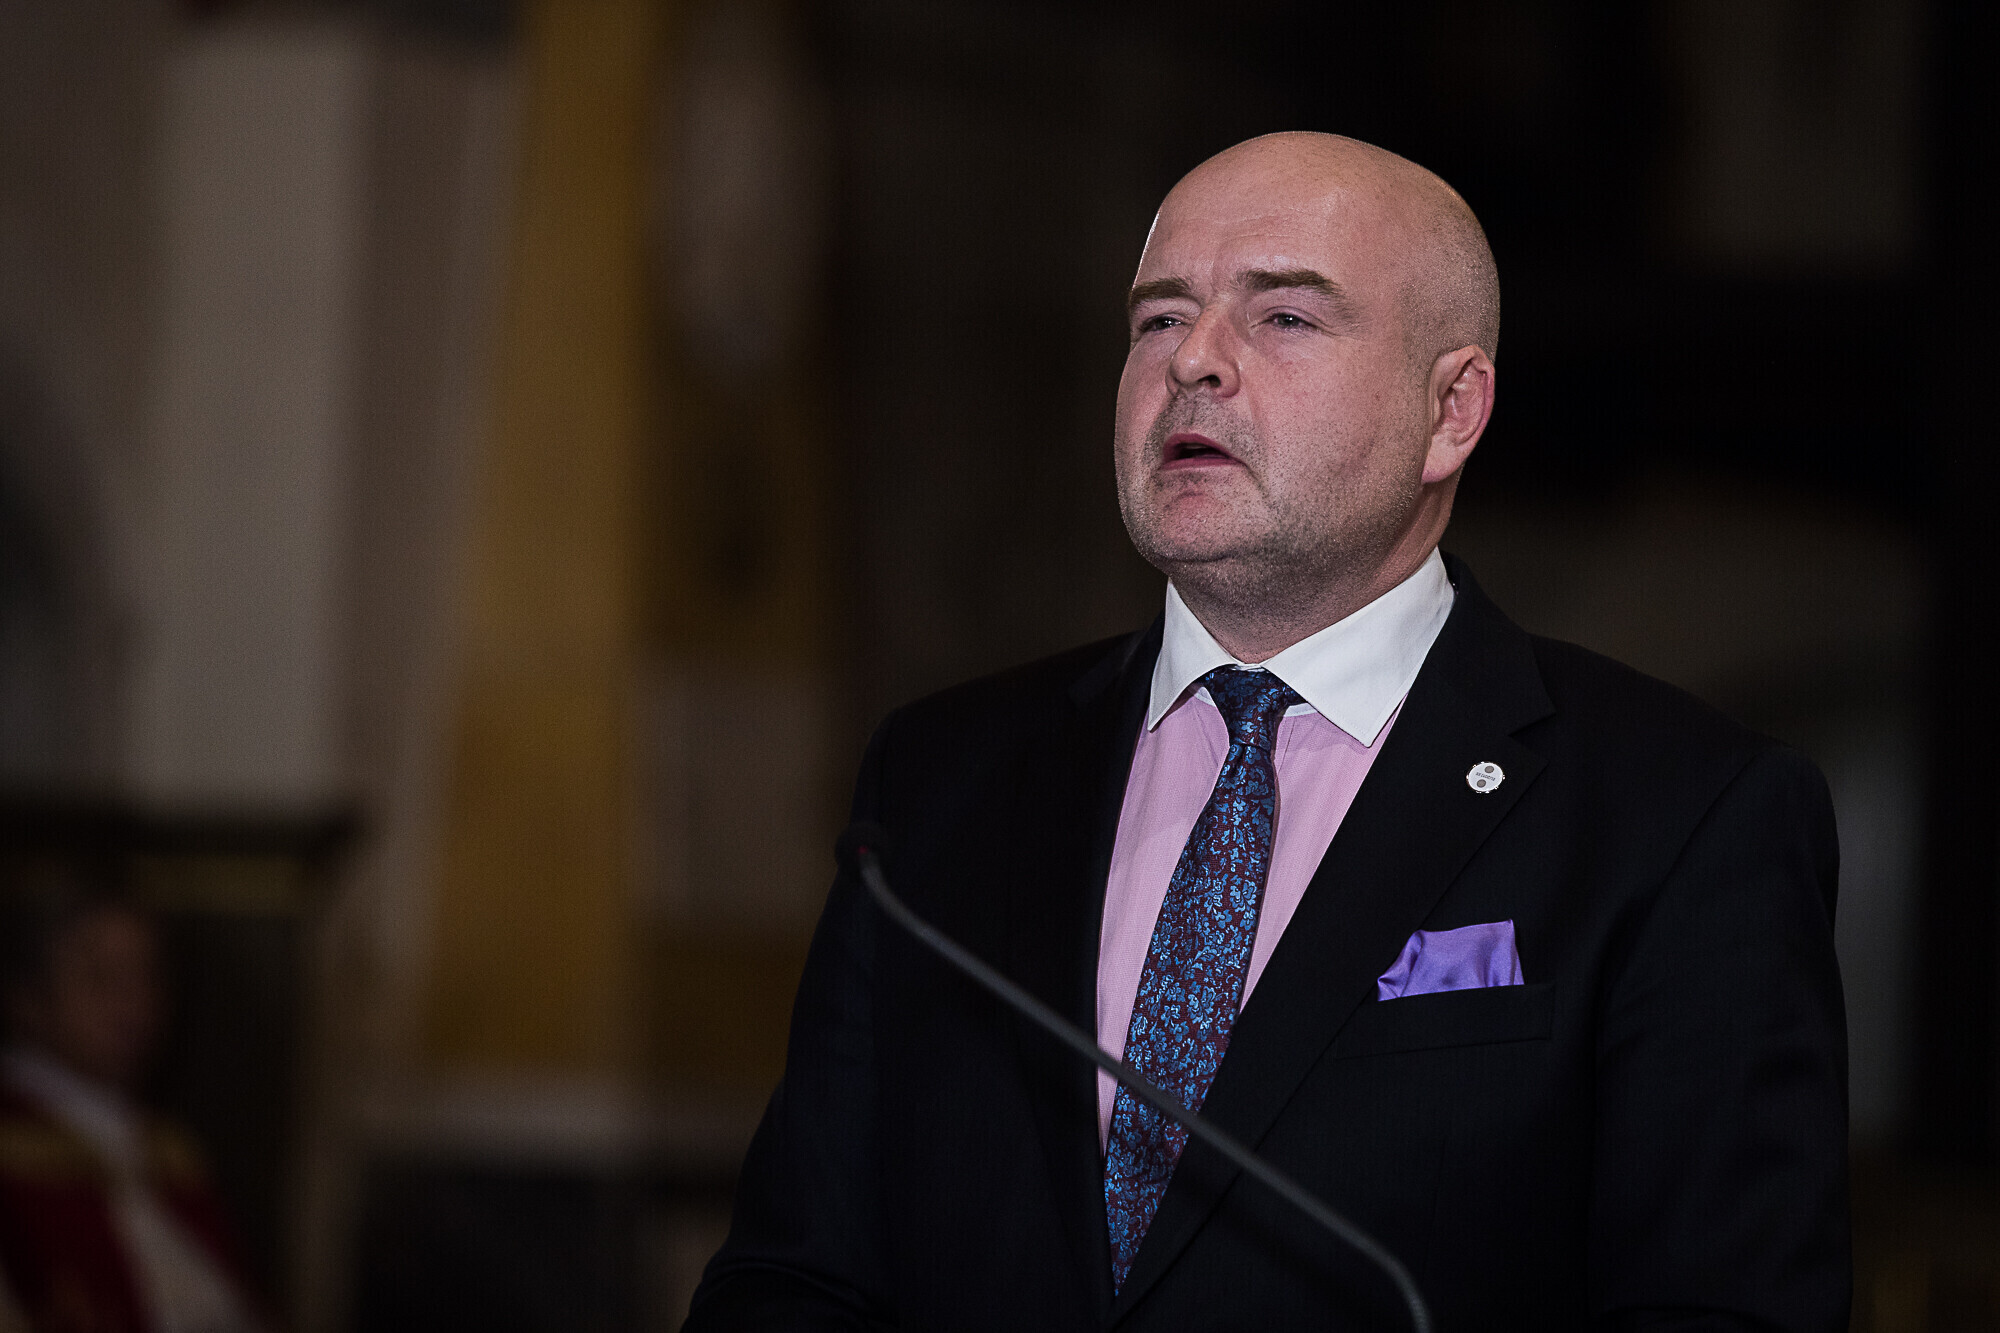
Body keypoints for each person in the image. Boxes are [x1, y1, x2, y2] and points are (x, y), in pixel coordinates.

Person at [684, 133, 1848, 1330]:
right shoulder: (941, 780)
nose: (1192, 359)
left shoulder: (1680, 816)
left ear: (1450, 409)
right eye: (1156, 319)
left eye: (1284, 316)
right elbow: (795, 1275)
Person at [0, 861, 264, 1333]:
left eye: (148, 975)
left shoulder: (168, 1148)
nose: (134, 1003)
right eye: (101, 977)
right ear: (27, 998)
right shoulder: (12, 1147)